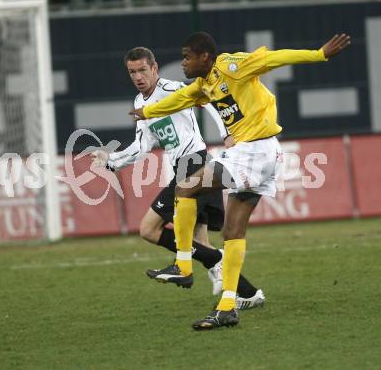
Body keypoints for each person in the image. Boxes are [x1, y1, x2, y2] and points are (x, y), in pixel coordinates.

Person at [131, 32, 351, 330]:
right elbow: (180, 99)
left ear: (204, 57)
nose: (182, 63)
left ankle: (184, 263)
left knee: (186, 186)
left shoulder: (232, 66)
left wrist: (318, 54)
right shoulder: (203, 84)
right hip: (257, 153)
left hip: (255, 150)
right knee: (233, 232)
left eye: (187, 56)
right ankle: (227, 307)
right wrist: (146, 111)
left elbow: (273, 58)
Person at [93, 47, 264, 308]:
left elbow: (208, 99)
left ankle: (207, 263)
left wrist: (226, 132)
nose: (138, 77)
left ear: (154, 68)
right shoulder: (140, 104)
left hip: (194, 164)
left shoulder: (172, 90)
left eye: (142, 70)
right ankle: (250, 294)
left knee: (149, 229)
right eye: (132, 72)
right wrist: (111, 162)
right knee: (200, 245)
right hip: (185, 168)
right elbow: (141, 147)